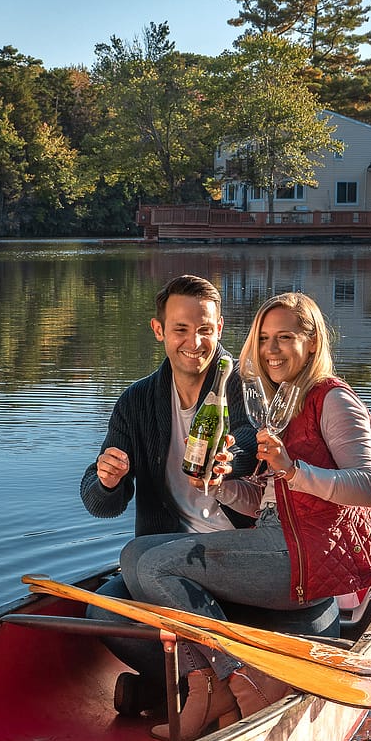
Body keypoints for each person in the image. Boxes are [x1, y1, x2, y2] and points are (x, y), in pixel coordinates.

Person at [120, 291, 371, 741]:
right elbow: (265, 500)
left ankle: (232, 679)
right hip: (274, 539)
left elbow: (369, 487)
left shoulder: (333, 400)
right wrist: (221, 484)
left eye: (285, 337)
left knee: (156, 565)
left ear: (312, 341)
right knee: (134, 555)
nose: (271, 350)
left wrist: (292, 469)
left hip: (305, 553)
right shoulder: (278, 405)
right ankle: (213, 685)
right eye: (264, 338)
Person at [80, 274, 257, 717]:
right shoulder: (136, 402)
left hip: (240, 552)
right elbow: (100, 503)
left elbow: (249, 440)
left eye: (205, 329)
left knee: (136, 558)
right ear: (159, 330)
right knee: (101, 614)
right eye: (180, 329)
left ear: (219, 328)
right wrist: (108, 479)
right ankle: (206, 689)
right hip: (168, 557)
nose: (194, 342)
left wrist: (228, 464)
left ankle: (193, 690)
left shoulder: (244, 386)